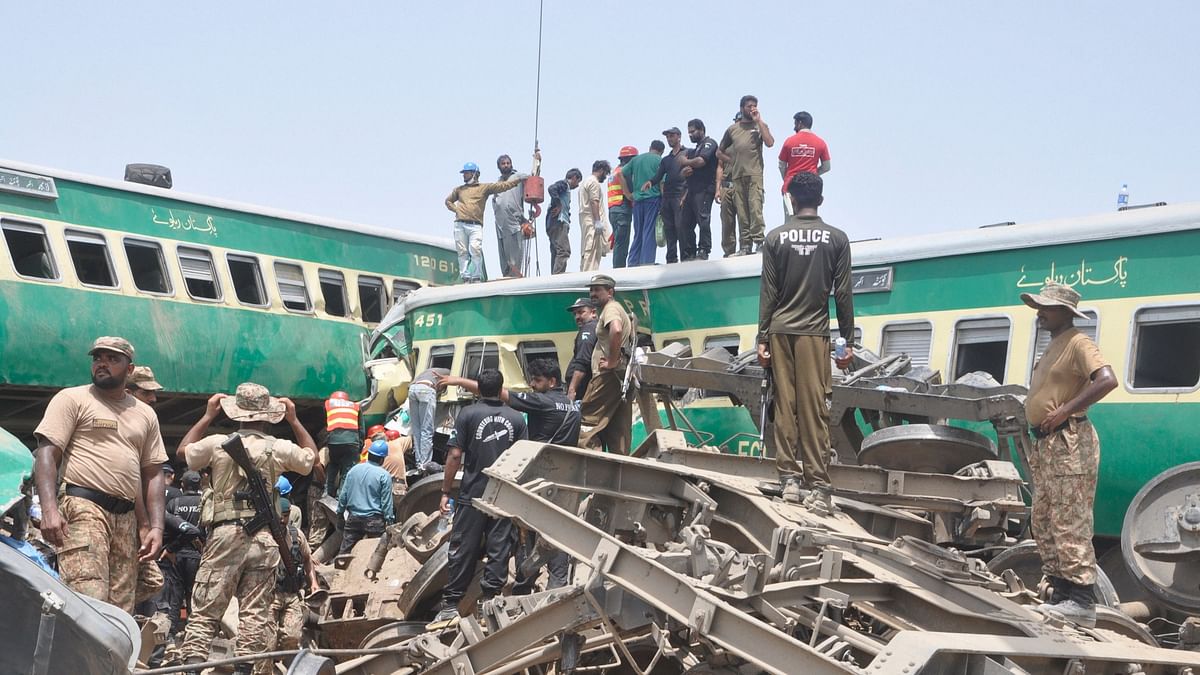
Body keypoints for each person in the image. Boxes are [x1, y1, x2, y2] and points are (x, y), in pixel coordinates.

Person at [175, 383, 317, 675]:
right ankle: (244, 670)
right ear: (268, 415)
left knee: (206, 609)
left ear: (235, 412)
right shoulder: (277, 447)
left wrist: (206, 416)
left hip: (225, 535)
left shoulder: (216, 443)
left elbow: (182, 452)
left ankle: (191, 668)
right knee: (255, 613)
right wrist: (294, 419)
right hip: (264, 538)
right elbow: (310, 459)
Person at [32, 336, 168, 614]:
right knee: (87, 600)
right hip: (84, 508)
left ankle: (106, 659)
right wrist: (49, 509)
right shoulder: (72, 398)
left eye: (112, 359)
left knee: (119, 611)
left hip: (126, 518)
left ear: (129, 370)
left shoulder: (145, 414)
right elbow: (47, 454)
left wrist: (155, 527)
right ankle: (69, 656)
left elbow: (152, 475)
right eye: (98, 358)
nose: (102, 364)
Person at [1021, 282, 1117, 628]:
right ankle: (1062, 594)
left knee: (1069, 519)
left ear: (1065, 312)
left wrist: (1065, 411)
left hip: (1068, 443)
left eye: (1045, 307)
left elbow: (1107, 380)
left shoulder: (1078, 342)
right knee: (1044, 518)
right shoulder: (1053, 346)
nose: (1039, 312)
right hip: (1047, 445)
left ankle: (1081, 600)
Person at [438, 359, 578, 593]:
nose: (533, 385)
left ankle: (533, 590)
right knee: (556, 533)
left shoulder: (543, 402)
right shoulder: (572, 406)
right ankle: (550, 588)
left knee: (529, 535)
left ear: (552, 382)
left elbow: (497, 393)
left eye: (538, 380)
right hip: (564, 481)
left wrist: (457, 380)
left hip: (539, 481)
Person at [757, 173, 853, 509]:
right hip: (815, 332)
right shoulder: (837, 240)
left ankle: (789, 481)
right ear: (820, 200)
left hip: (780, 330)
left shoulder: (775, 239)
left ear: (792, 200)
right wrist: (848, 340)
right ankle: (819, 487)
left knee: (786, 405)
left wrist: (762, 338)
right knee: (815, 407)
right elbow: (842, 294)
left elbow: (769, 292)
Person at [431, 369, 528, 624]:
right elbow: (524, 460)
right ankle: (490, 602)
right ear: (501, 387)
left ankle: (451, 604)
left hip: (473, 493)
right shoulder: (517, 419)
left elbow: (454, 455)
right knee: (499, 549)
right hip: (503, 496)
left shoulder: (468, 414)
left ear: (479, 389)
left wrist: (445, 490)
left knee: (463, 547)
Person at [578, 275, 635, 454]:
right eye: (591, 290)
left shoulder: (610, 309)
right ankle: (622, 466)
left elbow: (616, 329)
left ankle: (590, 463)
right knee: (618, 429)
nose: (593, 294)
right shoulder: (616, 308)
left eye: (597, 290)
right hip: (621, 376)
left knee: (586, 420)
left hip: (608, 377)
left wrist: (611, 361)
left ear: (610, 292)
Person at [266, 497, 320, 670]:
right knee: (267, 639)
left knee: (293, 636)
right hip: (270, 595)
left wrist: (313, 582)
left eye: (286, 515)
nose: (282, 519)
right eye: (280, 515)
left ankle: (282, 663)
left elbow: (307, 559)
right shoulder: (264, 535)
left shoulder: (297, 535)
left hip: (292, 595)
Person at [446, 163, 523, 282]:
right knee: (462, 251)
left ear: (474, 174)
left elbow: (502, 186)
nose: (464, 176)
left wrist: (517, 181)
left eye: (466, 173)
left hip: (475, 225)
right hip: (460, 224)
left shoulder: (484, 188)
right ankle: (465, 276)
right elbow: (448, 201)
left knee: (475, 249)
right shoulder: (459, 190)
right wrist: (456, 210)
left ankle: (476, 276)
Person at [718, 95, 775, 255]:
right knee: (742, 212)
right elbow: (719, 152)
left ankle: (759, 242)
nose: (752, 109)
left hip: (754, 174)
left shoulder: (760, 126)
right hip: (737, 176)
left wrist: (759, 121)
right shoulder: (732, 129)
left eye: (755, 106)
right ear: (742, 108)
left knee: (755, 208)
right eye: (749, 106)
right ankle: (745, 246)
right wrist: (733, 160)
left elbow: (770, 142)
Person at [337, 439, 396, 555]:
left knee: (345, 553)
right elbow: (386, 502)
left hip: (353, 518)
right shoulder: (384, 475)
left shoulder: (353, 470)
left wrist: (340, 513)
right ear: (382, 458)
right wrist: (389, 520)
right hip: (374, 521)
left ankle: (339, 571)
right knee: (375, 553)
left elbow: (343, 495)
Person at [165, 470, 204, 637]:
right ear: (200, 485)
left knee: (175, 596)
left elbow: (168, 529)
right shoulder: (206, 503)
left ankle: (171, 635)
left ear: (182, 485)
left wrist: (171, 548)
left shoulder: (174, 502)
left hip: (176, 555)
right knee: (195, 597)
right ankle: (194, 635)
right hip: (199, 556)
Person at [676, 119, 720, 261]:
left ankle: (704, 250)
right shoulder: (694, 150)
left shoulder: (710, 143)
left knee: (703, 220)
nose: (690, 135)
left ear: (701, 130)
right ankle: (690, 252)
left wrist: (687, 162)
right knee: (685, 222)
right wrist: (685, 169)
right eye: (688, 133)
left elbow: (701, 161)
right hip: (691, 191)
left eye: (693, 131)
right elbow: (682, 165)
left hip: (705, 188)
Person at [643, 128, 689, 263]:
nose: (669, 139)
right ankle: (671, 258)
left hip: (680, 194)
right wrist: (650, 182)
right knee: (669, 228)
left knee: (681, 227)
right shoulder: (666, 159)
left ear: (679, 137)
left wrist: (685, 195)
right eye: (668, 137)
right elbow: (658, 175)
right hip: (667, 197)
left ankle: (685, 256)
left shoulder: (688, 153)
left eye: (672, 136)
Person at [491, 152, 539, 278]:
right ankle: (507, 274)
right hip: (500, 223)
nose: (506, 165)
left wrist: (537, 161)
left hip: (514, 220)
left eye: (508, 163)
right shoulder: (498, 183)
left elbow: (533, 178)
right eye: (503, 164)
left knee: (515, 251)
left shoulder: (518, 176)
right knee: (503, 254)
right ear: (499, 166)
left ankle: (515, 274)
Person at [620, 141, 664, 266]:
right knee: (649, 231)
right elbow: (662, 183)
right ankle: (647, 263)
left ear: (650, 148)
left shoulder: (636, 160)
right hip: (653, 199)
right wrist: (664, 201)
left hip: (637, 200)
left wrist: (628, 194)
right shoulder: (659, 161)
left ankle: (633, 262)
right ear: (661, 151)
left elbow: (621, 174)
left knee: (638, 232)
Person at [778, 111, 831, 216]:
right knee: (809, 219)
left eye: (795, 124)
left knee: (790, 222)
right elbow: (827, 167)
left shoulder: (789, 141)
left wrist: (787, 178)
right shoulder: (820, 142)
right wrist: (813, 174)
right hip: (811, 188)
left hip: (790, 188)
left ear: (800, 123)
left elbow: (781, 165)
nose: (794, 127)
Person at [408, 366, 450, 472]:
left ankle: (419, 463)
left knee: (416, 430)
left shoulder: (426, 371)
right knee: (426, 430)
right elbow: (443, 388)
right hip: (426, 389)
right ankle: (425, 464)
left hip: (412, 390)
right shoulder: (449, 373)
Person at [323, 391, 360, 499]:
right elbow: (361, 428)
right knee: (346, 471)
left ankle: (327, 493)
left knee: (333, 465)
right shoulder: (355, 406)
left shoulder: (329, 404)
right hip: (351, 442)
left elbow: (326, 424)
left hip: (334, 442)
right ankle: (340, 498)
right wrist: (359, 445)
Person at [546, 169, 583, 274]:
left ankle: (554, 275)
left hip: (552, 223)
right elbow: (552, 188)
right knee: (564, 250)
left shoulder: (565, 188)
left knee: (556, 251)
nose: (577, 185)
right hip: (559, 222)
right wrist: (558, 204)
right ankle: (557, 276)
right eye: (578, 182)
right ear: (574, 178)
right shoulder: (564, 185)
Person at [579, 160, 613, 272]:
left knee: (589, 248)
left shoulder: (585, 182)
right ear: (601, 170)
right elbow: (594, 202)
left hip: (587, 220)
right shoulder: (594, 183)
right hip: (592, 221)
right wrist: (597, 221)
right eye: (606, 173)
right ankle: (589, 274)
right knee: (591, 248)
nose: (605, 176)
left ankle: (586, 271)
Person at [608, 146, 637, 269]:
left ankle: (617, 267)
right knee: (622, 243)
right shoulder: (625, 172)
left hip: (613, 210)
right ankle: (618, 269)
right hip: (622, 209)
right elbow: (630, 190)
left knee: (619, 241)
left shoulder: (614, 172)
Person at [565, 298, 598, 401]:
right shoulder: (596, 327)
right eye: (575, 314)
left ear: (593, 312)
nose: (577, 317)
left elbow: (582, 362)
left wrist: (572, 389)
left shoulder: (588, 329)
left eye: (581, 312)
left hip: (583, 392)